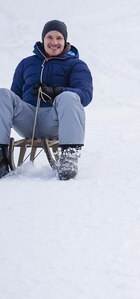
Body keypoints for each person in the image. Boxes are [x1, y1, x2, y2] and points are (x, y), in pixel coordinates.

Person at [0, 20, 93, 180]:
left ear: (65, 41)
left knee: (69, 97)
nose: (54, 42)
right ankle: (0, 159)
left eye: (59, 38)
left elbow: (85, 94)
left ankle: (69, 158)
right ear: (43, 39)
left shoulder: (76, 65)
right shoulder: (26, 64)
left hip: (54, 121)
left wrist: (57, 91)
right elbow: (13, 98)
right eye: (50, 37)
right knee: (3, 94)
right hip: (28, 119)